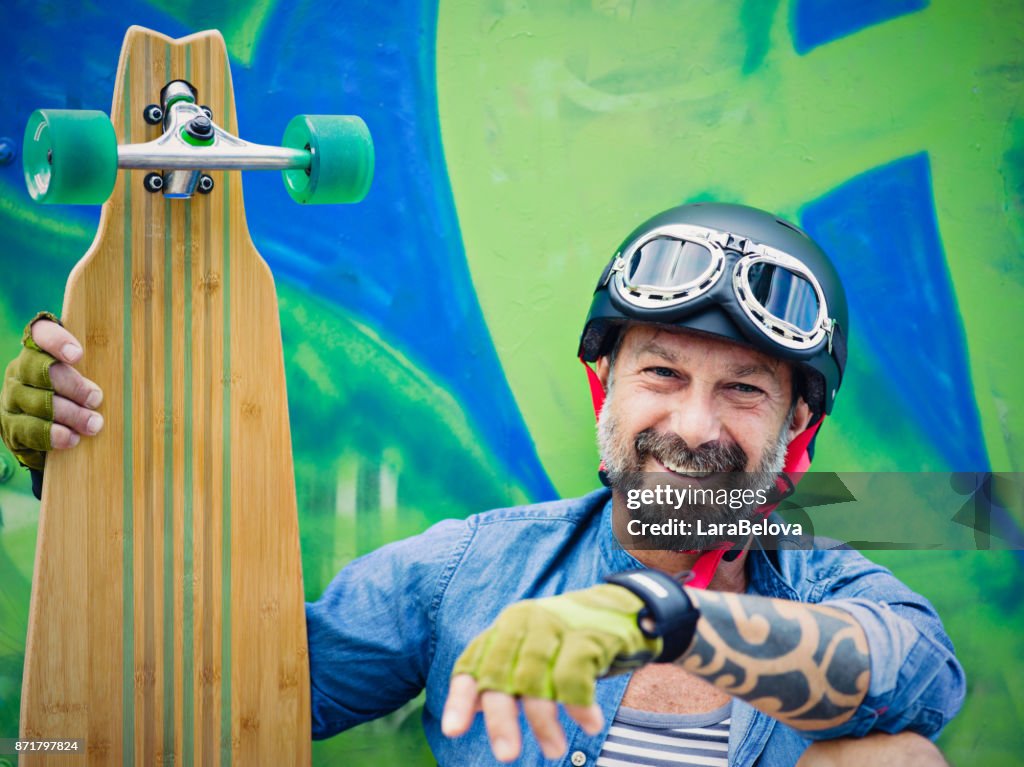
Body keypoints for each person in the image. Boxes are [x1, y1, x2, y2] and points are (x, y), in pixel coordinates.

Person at [1, 203, 963, 766]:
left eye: (745, 390)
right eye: (662, 374)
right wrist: (93, 481)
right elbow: (207, 691)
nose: (695, 426)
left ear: (798, 428)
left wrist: (662, 614)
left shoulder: (832, 587)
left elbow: (914, 670)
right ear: (605, 387)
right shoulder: (471, 567)